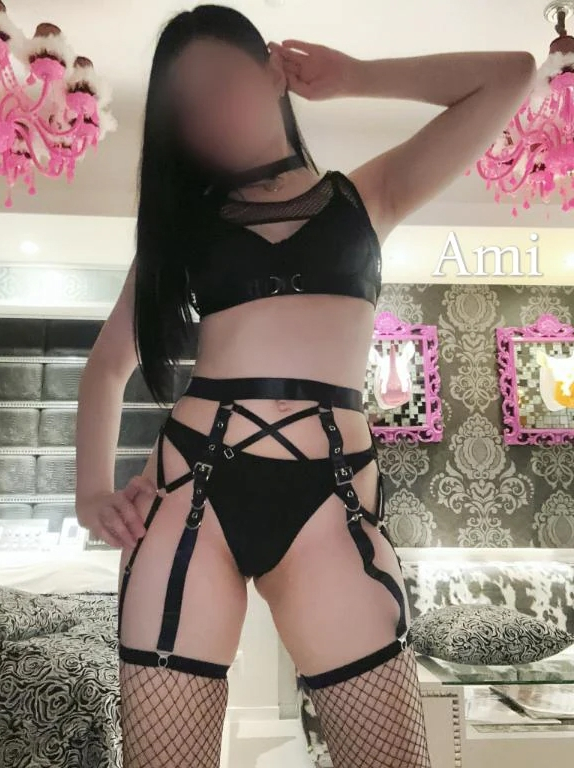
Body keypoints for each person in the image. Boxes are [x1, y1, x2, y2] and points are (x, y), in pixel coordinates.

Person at [75, 5, 535, 767]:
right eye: (188, 105)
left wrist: (355, 77)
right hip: (191, 494)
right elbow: (107, 365)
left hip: (334, 502)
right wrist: (91, 492)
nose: (209, 113)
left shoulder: (368, 195)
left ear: (271, 69)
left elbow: (509, 75)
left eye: (222, 82)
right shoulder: (183, 228)